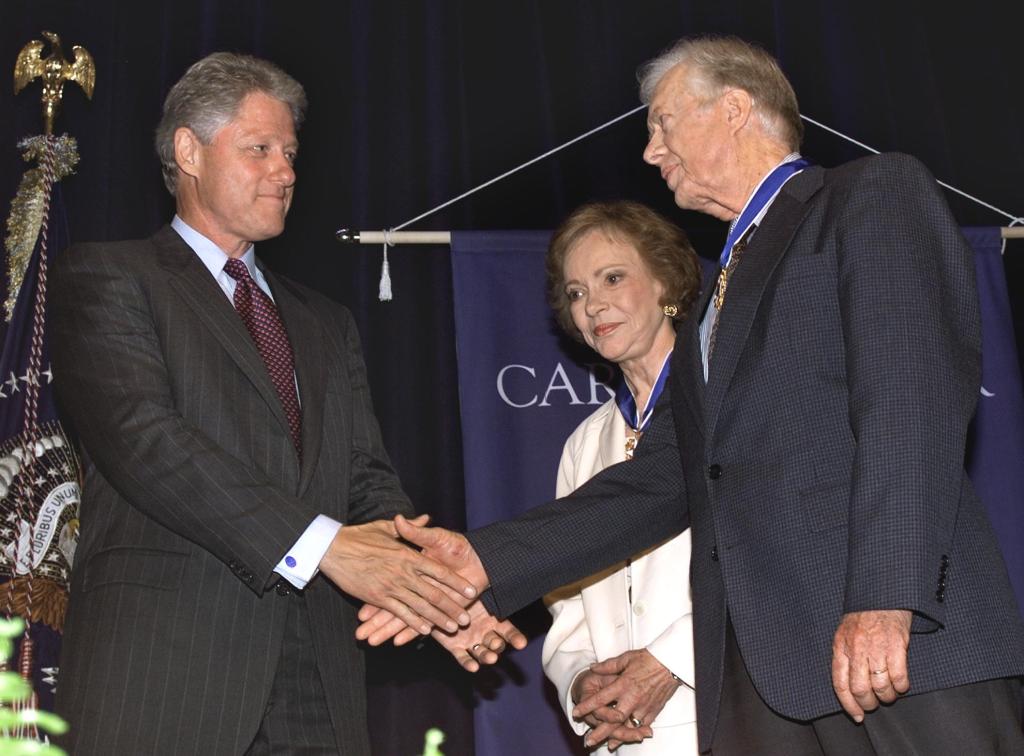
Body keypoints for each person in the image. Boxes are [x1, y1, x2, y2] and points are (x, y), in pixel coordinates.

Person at [361, 35, 1024, 755]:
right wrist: (484, 563)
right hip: (765, 685)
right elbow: (665, 478)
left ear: (734, 109)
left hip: (895, 652)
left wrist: (885, 599)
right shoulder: (719, 298)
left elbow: (909, 410)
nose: (650, 151)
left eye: (662, 123)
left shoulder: (869, 197)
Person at [49, 51, 518, 755]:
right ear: (189, 150)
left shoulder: (325, 321)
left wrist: (434, 597)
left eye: (291, 153)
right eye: (260, 149)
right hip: (167, 678)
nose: (287, 172)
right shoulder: (110, 277)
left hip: (319, 687)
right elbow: (149, 442)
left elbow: (365, 482)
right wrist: (325, 546)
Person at [541, 201, 702, 754]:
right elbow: (567, 599)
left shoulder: (731, 406)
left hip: (728, 716)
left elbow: (772, 558)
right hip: (620, 738)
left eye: (612, 278)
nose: (593, 305)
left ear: (665, 282)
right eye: (577, 292)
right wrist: (585, 685)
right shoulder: (584, 445)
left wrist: (669, 664)